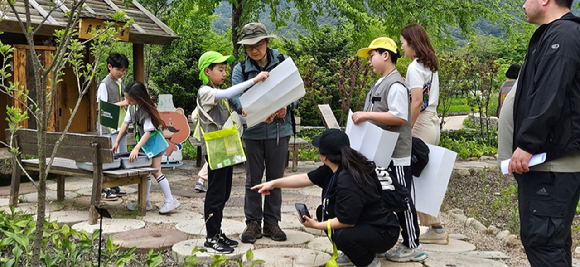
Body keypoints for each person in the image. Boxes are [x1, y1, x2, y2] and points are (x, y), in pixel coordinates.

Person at [252, 129, 400, 267]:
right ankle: (353, 253)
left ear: (324, 157)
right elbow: (305, 178)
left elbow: (346, 221)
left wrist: (315, 226)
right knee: (323, 211)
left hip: (383, 232)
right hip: (365, 222)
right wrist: (273, 183)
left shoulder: (348, 180)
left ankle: (368, 262)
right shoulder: (335, 167)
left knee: (343, 236)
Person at [508, 1, 580, 266]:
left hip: (551, 163)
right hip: (552, 162)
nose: (523, 4)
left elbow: (550, 95)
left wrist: (527, 144)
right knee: (553, 241)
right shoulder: (555, 34)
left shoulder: (562, 36)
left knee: (543, 242)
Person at [353, 37, 425, 262]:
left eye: (372, 55)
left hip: (396, 155)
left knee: (402, 198)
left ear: (386, 55)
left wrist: (365, 115)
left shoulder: (395, 84)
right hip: (382, 153)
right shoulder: (381, 82)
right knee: (384, 198)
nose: (370, 61)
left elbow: (399, 116)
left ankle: (413, 245)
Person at [231, 22, 298, 243]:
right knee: (253, 178)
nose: (254, 50)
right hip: (253, 132)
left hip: (280, 130)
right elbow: (235, 98)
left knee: (276, 178)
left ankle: (272, 223)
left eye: (258, 44)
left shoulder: (283, 62)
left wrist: (286, 107)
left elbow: (296, 90)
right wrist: (255, 111)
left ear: (267, 42)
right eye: (249, 46)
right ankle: (252, 223)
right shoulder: (240, 69)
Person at [197, 51, 270, 253]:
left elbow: (237, 118)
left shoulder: (217, 92)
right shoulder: (206, 92)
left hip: (225, 148)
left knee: (224, 192)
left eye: (224, 69)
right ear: (207, 71)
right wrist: (254, 80)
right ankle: (211, 238)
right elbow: (229, 93)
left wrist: (262, 117)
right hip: (215, 149)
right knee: (215, 194)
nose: (224, 73)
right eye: (220, 69)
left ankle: (217, 232)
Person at [399, 24, 447, 245]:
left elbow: (417, 101)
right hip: (433, 122)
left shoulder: (414, 68)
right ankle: (435, 227)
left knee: (413, 175)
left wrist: (406, 128)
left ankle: (434, 228)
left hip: (421, 122)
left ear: (412, 42)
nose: (402, 47)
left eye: (403, 42)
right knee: (426, 176)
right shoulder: (430, 65)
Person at [113, 81, 180, 214]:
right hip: (145, 145)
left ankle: (170, 199)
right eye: (126, 98)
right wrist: (117, 142)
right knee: (146, 171)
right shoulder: (132, 107)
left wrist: (137, 148)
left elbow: (148, 131)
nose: (127, 101)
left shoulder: (147, 110)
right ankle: (144, 201)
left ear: (139, 98)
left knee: (155, 171)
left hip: (154, 144)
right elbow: (125, 125)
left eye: (130, 99)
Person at [97, 53, 129, 199]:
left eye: (123, 70)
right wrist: (121, 104)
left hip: (120, 124)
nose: (121, 73)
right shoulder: (105, 84)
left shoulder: (120, 82)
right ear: (110, 67)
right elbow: (101, 107)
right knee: (110, 156)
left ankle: (114, 183)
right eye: (119, 70)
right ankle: (105, 187)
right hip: (108, 126)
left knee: (120, 155)